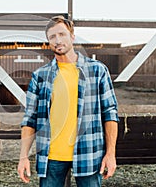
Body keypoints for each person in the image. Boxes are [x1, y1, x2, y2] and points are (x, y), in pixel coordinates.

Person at [17, 15, 119, 187]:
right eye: (52, 37)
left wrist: (110, 154)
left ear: (72, 36)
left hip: (89, 154)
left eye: (62, 34)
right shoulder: (40, 76)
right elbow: (30, 118)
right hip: (51, 157)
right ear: (48, 42)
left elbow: (110, 113)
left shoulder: (97, 70)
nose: (57, 40)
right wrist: (23, 157)